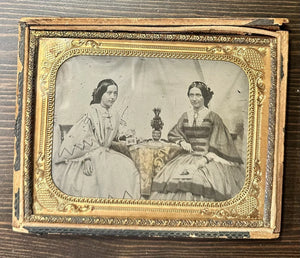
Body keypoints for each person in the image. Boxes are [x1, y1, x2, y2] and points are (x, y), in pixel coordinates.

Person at [150, 81, 245, 201]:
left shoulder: (213, 117)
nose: (194, 99)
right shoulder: (185, 116)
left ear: (204, 96)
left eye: (198, 95)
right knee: (174, 179)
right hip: (188, 157)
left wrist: (204, 160)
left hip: (208, 160)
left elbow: (219, 143)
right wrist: (182, 142)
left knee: (197, 179)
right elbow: (173, 133)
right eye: (191, 95)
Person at [54, 79, 141, 199]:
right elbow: (82, 138)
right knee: (108, 171)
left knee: (128, 166)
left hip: (106, 152)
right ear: (101, 93)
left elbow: (115, 135)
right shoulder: (92, 111)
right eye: (109, 93)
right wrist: (86, 159)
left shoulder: (115, 114)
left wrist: (128, 136)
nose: (112, 97)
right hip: (90, 155)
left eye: (115, 93)